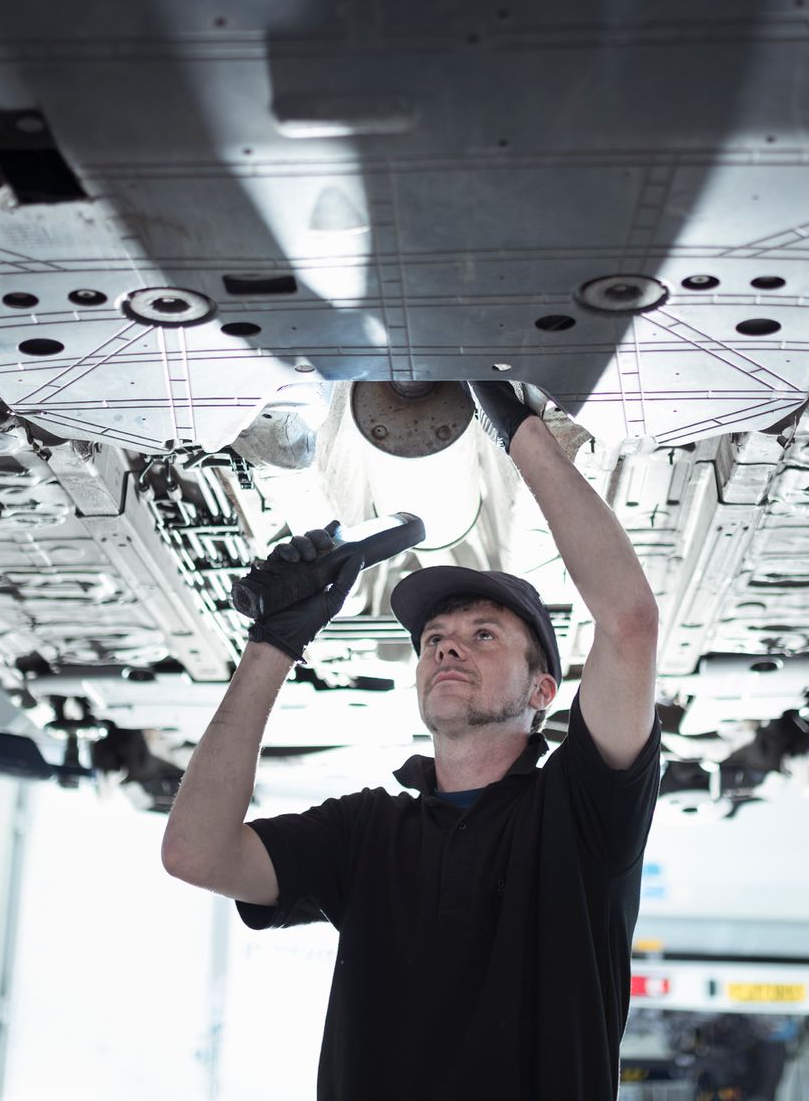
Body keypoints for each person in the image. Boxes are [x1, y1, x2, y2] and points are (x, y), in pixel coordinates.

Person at [161, 381, 661, 1101]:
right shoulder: (368, 833)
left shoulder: (582, 815)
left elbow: (629, 623)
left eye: (482, 636)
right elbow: (197, 852)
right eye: (435, 639)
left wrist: (516, 426)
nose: (447, 650)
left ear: (542, 691)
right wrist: (273, 642)